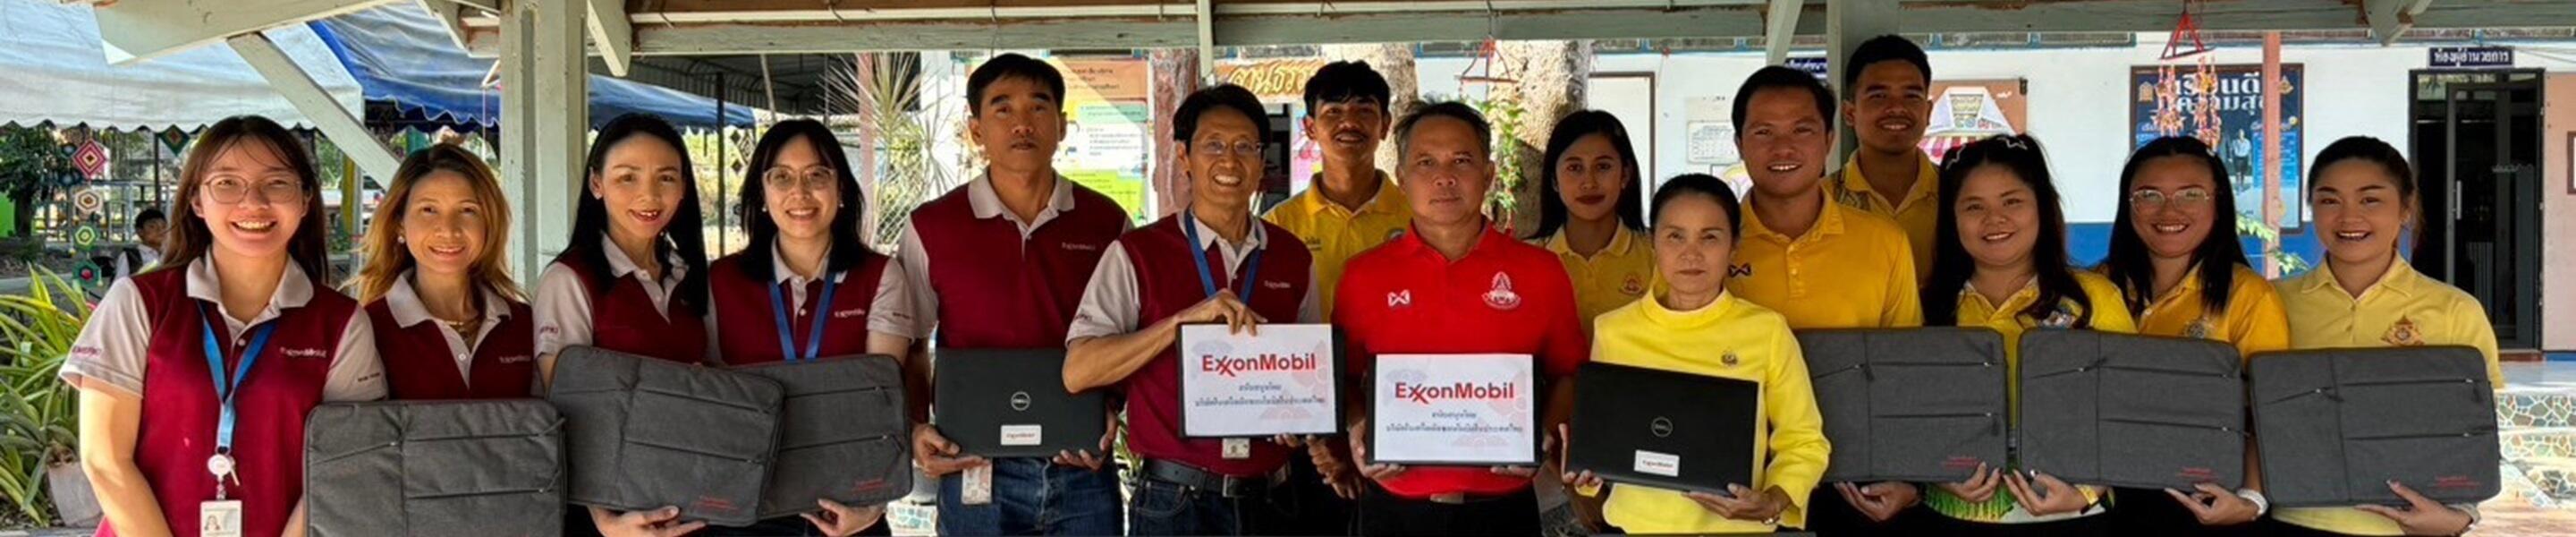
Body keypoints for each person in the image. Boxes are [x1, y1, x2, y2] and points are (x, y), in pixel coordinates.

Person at [63, 115, 386, 537]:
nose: (253, 202)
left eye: (276, 183)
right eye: (227, 183)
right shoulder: (139, 302)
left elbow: (343, 461)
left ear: (305, 200)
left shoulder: (341, 323)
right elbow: (105, 459)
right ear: (197, 201)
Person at [1062, 84, 1320, 536]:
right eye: (1213, 145)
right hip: (1176, 502)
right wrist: (1181, 323)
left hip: (1275, 499)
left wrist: (1301, 417)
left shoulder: (1293, 256)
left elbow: (1312, 374)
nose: (1229, 161)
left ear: (1263, 161)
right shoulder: (1137, 254)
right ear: (1184, 156)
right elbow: (1079, 371)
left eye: (1245, 147)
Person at [896, 53, 1128, 536]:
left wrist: (1113, 409)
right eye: (1002, 108)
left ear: (1062, 126)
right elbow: (913, 343)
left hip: (1080, 463)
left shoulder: (1108, 222)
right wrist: (919, 426)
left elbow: (1132, 337)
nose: (1022, 124)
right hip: (973, 464)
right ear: (976, 129)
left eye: (1038, 107)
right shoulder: (932, 226)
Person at [1334, 102, 1589, 536]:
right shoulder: (1363, 275)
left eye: (1462, 161)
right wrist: (1359, 429)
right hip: (1394, 509)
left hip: (1503, 510)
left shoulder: (1541, 272)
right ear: (1401, 177)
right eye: (1426, 162)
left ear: (1488, 175)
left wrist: (1542, 433)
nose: (1444, 176)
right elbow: (1342, 378)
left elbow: (1569, 373)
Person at [1560, 173, 1830, 534]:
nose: (1691, 253)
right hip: (1637, 528)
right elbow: (1605, 444)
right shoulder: (1614, 330)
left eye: (1710, 237)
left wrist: (1774, 500)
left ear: (1734, 244)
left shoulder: (1766, 331)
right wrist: (1584, 466)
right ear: (1652, 242)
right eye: (1675, 236)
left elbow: (1805, 441)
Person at [1721, 65, 1929, 535]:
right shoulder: (1709, 246)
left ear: (1831, 138)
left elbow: (1907, 373)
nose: (1783, 148)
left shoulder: (1884, 241)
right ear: (1738, 144)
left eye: (1802, 129)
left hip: (1858, 486)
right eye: (1763, 132)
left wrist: (1909, 479)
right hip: (1740, 487)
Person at [2266, 136, 2498, 537]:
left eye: (2370, 200)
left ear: (2405, 208)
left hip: (2408, 526)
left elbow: (2477, 432)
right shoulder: (2273, 303)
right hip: (2292, 518)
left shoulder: (2454, 310)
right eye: (2329, 200)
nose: (2348, 217)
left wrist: (2462, 514)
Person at [1918, 133, 2138, 535]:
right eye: (1973, 206)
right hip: (1950, 514)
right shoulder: (1926, 308)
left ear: (2042, 206)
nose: (1994, 219)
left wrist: (2087, 491)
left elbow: (2132, 409)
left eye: (2012, 201)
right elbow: (1906, 412)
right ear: (1951, 218)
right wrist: (1932, 471)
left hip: (2072, 513)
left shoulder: (2093, 299)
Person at [701, 119, 910, 536]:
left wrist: (871, 506)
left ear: (842, 190)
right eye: (782, 177)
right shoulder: (719, 281)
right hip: (746, 510)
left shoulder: (881, 276)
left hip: (847, 507)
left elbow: (881, 401)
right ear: (761, 193)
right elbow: (712, 400)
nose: (800, 193)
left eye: (817, 175)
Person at [532, 113, 715, 537]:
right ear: (596, 184)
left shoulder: (688, 276)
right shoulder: (570, 280)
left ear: (684, 187)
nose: (649, 195)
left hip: (689, 494)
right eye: (627, 178)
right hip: (612, 514)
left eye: (666, 178)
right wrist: (604, 515)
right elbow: (566, 408)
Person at [2095, 136, 2289, 534]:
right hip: (2102, 494)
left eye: (2191, 194)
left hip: (2206, 499)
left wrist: (2251, 499)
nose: (2170, 210)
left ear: (2218, 202)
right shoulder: (2097, 286)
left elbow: (2270, 413)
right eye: (2148, 194)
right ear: (2127, 203)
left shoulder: (2249, 295)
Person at [1260, 58, 1402, 536]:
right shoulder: (1279, 227)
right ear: (1308, 127)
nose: (1349, 122)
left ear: (1385, 124)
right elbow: (1274, 339)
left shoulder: (1422, 216)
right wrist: (1318, 435)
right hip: (1306, 430)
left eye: (1364, 109)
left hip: (1406, 415)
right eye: (1333, 111)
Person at [351, 143, 536, 401]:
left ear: (489, 224)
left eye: (468, 210)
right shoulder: (365, 330)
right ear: (399, 224)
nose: (449, 230)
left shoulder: (526, 324)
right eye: (429, 210)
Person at [1525, 109, 1655, 328]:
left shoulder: (1658, 254)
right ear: (1554, 181)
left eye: (1603, 166)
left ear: (1625, 175)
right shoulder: (1526, 260)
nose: (1589, 182)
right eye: (1574, 168)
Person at [1830, 35, 1941, 277]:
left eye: (1911, 96)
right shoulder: (1821, 201)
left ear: (1928, 111)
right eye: (1879, 96)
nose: (1896, 108)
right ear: (1850, 113)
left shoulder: (1959, 195)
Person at [117, 207, 167, 278]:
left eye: (164, 226)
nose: (160, 230)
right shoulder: (130, 257)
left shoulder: (173, 255)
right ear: (140, 231)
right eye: (152, 227)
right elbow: (119, 285)